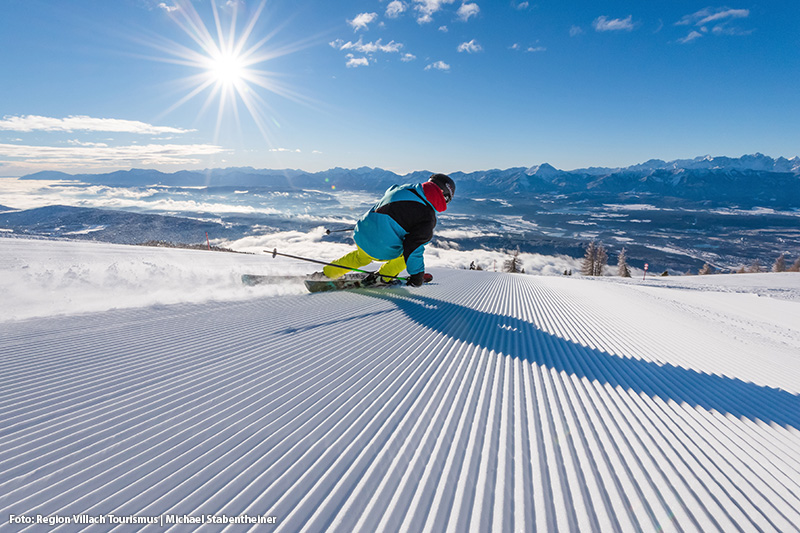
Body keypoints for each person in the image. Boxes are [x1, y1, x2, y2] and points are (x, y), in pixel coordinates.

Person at [320, 173, 455, 287]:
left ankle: (326, 274)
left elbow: (390, 198)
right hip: (381, 247)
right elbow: (413, 248)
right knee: (406, 255)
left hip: (361, 232)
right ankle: (384, 277)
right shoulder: (427, 218)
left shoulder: (404, 188)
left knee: (360, 257)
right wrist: (417, 276)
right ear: (445, 197)